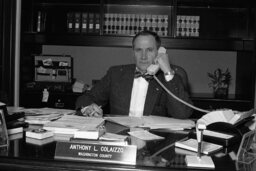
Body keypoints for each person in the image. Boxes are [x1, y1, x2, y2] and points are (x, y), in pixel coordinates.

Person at [76, 30, 193, 118]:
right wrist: (88, 108)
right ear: (133, 52)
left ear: (159, 53)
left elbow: (182, 114)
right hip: (120, 140)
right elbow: (86, 98)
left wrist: (168, 72)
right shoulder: (116, 74)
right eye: (139, 50)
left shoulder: (167, 79)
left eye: (149, 50)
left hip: (154, 142)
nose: (143, 56)